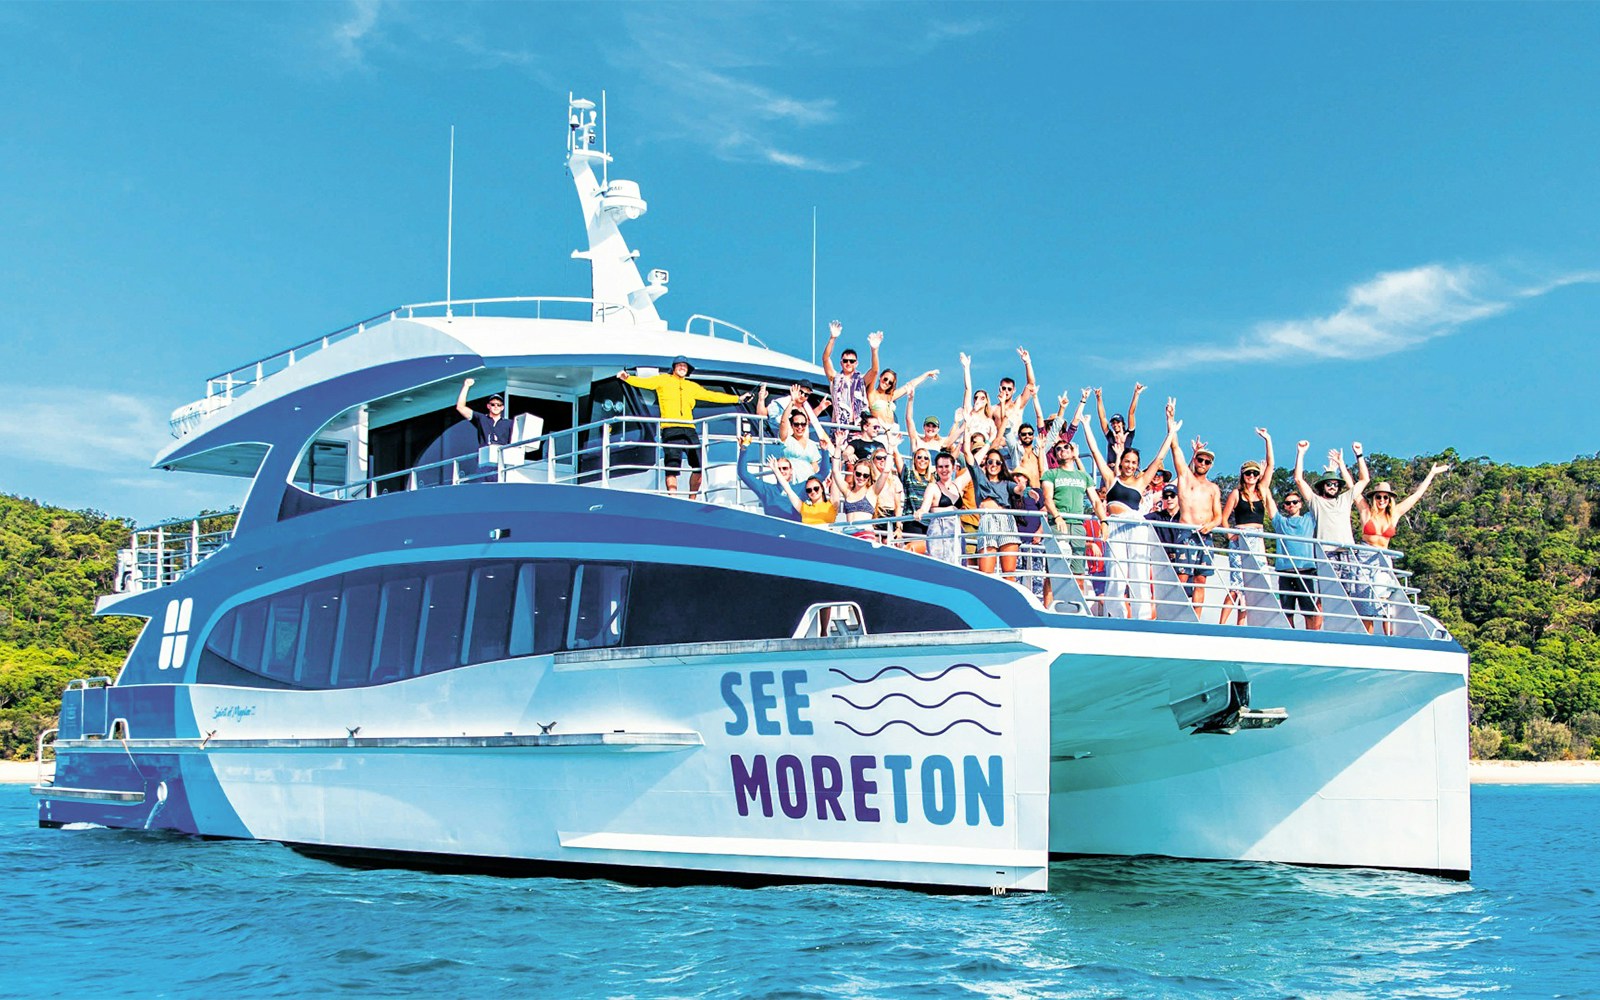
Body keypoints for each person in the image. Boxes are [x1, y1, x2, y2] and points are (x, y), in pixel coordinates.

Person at [1076, 409, 1180, 619]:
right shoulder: (1111, 479)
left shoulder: (1141, 482)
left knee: (1139, 572)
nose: (1130, 465)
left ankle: (1142, 617)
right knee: (1115, 572)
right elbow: (1095, 452)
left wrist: (1171, 431)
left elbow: (1160, 456)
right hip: (1115, 525)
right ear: (1121, 461)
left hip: (1135, 526)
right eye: (1127, 461)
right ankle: (1117, 615)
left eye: (1134, 463)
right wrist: (1086, 425)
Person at [618, 357, 751, 500]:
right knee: (672, 466)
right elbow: (645, 383)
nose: (682, 368)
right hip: (670, 428)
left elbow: (712, 396)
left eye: (685, 366)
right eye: (680, 365)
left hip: (689, 429)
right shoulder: (663, 380)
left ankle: (692, 498)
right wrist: (627, 378)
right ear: (674, 367)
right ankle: (673, 496)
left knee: (699, 465)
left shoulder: (691, 386)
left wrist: (738, 399)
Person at [1352, 463, 1450, 634]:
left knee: (1384, 600)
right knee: (1365, 601)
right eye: (1379, 497)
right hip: (1365, 555)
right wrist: (1341, 464)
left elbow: (1417, 495)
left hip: (1383, 557)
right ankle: (1368, 637)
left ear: (1390, 499)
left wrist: (1432, 473)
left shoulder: (1394, 514)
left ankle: (1387, 636)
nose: (1382, 500)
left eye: (1386, 497)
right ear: (1373, 498)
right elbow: (1353, 489)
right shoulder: (1366, 511)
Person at [1294, 441, 1369, 618]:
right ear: (1322, 486)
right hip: (1326, 553)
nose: (1333, 486)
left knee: (1350, 595)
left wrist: (1358, 455)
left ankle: (1347, 630)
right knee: (1325, 596)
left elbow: (1365, 480)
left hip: (1348, 552)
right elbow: (1298, 479)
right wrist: (1301, 453)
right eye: (1329, 484)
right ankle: (1320, 633)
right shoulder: (1315, 502)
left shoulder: (1345, 499)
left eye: (1335, 484)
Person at [1165, 402, 1224, 618]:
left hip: (1205, 536)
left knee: (1201, 579)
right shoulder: (1184, 477)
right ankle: (1176, 614)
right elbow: (1175, 449)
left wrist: (1210, 525)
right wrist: (1170, 421)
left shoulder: (1213, 487)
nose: (1203, 463)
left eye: (1207, 461)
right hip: (1186, 533)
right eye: (1200, 459)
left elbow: (1219, 516)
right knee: (1182, 576)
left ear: (1210, 465)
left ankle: (1196, 617)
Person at [1218, 428, 1276, 626]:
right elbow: (1224, 519)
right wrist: (1230, 537)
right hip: (1240, 536)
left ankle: (1242, 625)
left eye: (1254, 473)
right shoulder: (1236, 493)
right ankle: (1222, 624)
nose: (1251, 476)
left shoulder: (1262, 491)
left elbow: (1271, 465)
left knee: (1256, 583)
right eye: (1248, 473)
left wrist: (1267, 439)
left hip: (1257, 538)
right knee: (1237, 584)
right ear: (1243, 475)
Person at [1041, 439, 1094, 596]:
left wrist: (1104, 521)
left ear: (1072, 451)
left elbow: (1096, 500)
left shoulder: (1083, 476)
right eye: (1058, 449)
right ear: (1056, 455)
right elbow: (1047, 498)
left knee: (1079, 573)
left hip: (1078, 525)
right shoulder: (1051, 474)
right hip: (1058, 523)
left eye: (1066, 447)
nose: (1062, 450)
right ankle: (1048, 607)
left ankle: (1078, 609)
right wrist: (1057, 516)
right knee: (1054, 571)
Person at [737, 434, 829, 523]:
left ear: (791, 471)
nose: (782, 471)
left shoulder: (801, 488)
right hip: (772, 533)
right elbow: (743, 473)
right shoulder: (766, 489)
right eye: (778, 468)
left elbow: (823, 473)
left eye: (785, 468)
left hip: (794, 533)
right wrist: (744, 449)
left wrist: (825, 451)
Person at [1269, 488, 1321, 629]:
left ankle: (1311, 638)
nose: (1291, 505)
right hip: (1286, 571)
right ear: (1284, 506)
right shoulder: (1281, 522)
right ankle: (1290, 638)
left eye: (1295, 502)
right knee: (1287, 611)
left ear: (1300, 504)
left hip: (1305, 570)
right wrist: (1264, 478)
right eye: (1287, 503)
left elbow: (1317, 501)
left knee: (1309, 610)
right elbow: (1268, 499)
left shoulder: (1309, 519)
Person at [864, 338, 937, 426]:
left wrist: (926, 375)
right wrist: (874, 350)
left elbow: (910, 385)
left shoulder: (890, 397)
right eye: (885, 379)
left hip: (892, 431)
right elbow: (875, 371)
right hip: (878, 430)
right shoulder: (872, 393)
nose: (887, 383)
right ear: (880, 378)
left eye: (890, 382)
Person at [821, 321, 879, 433]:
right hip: (840, 426)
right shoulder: (835, 377)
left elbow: (875, 370)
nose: (848, 363)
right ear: (841, 362)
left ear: (856, 363)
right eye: (845, 361)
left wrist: (874, 350)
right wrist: (832, 338)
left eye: (851, 361)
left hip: (860, 426)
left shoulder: (861, 380)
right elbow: (825, 359)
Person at [916, 450, 969, 566]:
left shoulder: (957, 484)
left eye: (947, 466)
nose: (944, 470)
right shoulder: (933, 487)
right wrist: (921, 511)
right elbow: (925, 506)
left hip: (956, 528)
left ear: (954, 467)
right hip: (939, 529)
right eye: (940, 467)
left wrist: (989, 442)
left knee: (959, 564)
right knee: (940, 564)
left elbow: (973, 465)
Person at [1009, 468, 1046, 598]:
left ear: (1026, 478)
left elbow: (1044, 512)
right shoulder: (1010, 493)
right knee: (1015, 576)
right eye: (1014, 476)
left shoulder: (1036, 492)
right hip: (1015, 541)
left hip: (1034, 540)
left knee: (1037, 577)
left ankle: (1038, 604)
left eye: (1020, 475)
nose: (1016, 478)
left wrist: (1040, 532)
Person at [1095, 382, 1145, 465]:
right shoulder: (1110, 436)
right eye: (1113, 423)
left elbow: (1131, 413)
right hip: (1112, 470)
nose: (1115, 425)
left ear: (1122, 424)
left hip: (1124, 468)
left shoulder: (1128, 435)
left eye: (1118, 422)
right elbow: (1102, 418)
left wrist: (1136, 394)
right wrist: (1099, 398)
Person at [455, 378, 514, 447]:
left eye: (499, 405)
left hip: (502, 456)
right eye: (493, 404)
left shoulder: (509, 423)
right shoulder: (481, 418)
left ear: (502, 408)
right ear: (488, 406)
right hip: (485, 456)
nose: (496, 406)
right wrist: (466, 386)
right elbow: (460, 407)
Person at [899, 447, 934, 553]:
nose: (923, 460)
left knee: (927, 553)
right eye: (919, 457)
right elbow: (897, 458)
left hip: (929, 522)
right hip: (912, 520)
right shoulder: (908, 475)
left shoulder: (934, 478)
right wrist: (893, 445)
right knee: (913, 551)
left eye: (926, 458)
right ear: (914, 459)